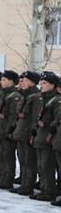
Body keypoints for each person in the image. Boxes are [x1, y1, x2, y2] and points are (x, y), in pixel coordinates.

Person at [31, 71, 60, 201]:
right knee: (41, 166)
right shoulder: (43, 99)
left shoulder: (56, 100)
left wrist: (49, 126)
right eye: (41, 83)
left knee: (47, 166)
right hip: (40, 136)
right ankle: (44, 189)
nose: (42, 85)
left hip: (49, 137)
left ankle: (49, 191)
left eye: (45, 83)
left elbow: (57, 118)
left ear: (53, 85)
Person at [12, 70, 42, 195]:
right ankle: (24, 183)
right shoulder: (25, 95)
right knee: (23, 160)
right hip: (21, 131)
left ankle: (28, 185)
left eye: (25, 81)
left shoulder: (36, 97)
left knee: (29, 161)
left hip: (27, 133)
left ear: (32, 82)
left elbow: (35, 117)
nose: (22, 83)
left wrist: (32, 133)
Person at [0, 70, 22, 190]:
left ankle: (8, 179)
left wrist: (9, 130)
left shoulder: (14, 96)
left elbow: (12, 116)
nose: (2, 82)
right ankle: (3, 177)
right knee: (1, 155)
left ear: (11, 81)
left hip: (7, 131)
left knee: (8, 156)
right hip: (0, 129)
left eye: (4, 80)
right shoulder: (4, 94)